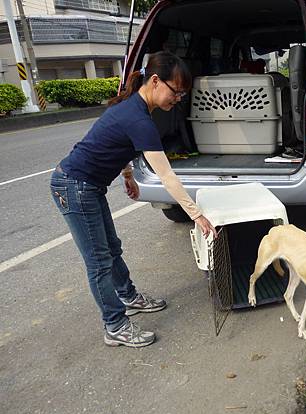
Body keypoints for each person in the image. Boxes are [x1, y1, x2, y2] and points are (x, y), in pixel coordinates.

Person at [50, 51, 216, 348]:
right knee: (99, 262)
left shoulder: (135, 111)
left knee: (111, 248)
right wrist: (196, 214)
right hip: (74, 186)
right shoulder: (138, 118)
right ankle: (114, 325)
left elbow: (116, 143)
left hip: (86, 185)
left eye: (182, 94)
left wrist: (127, 175)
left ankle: (128, 296)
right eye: (176, 91)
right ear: (155, 81)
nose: (177, 99)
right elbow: (167, 176)